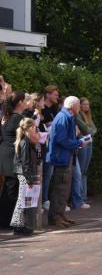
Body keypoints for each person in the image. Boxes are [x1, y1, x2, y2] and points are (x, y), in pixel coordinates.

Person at [46, 96, 90, 228]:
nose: (79, 108)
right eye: (78, 105)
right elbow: (62, 140)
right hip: (61, 158)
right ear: (73, 106)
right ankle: (55, 217)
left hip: (65, 157)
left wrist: (78, 141)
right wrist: (79, 142)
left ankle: (59, 215)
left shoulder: (66, 117)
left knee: (64, 188)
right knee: (60, 188)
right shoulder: (63, 118)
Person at [0, 92, 26, 227]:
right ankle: (6, 221)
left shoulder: (6, 117)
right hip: (12, 156)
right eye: (25, 100)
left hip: (4, 154)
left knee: (8, 189)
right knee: (12, 189)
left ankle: (5, 220)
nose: (27, 102)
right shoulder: (18, 119)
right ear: (20, 103)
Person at [10, 118, 39, 235]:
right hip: (23, 174)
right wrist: (29, 179)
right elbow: (25, 162)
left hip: (22, 173)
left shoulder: (25, 141)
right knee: (22, 199)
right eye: (34, 127)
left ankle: (19, 224)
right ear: (30, 128)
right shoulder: (25, 142)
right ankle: (17, 225)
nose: (36, 129)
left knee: (22, 199)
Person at [40, 85, 60, 211]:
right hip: (43, 144)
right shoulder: (42, 109)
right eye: (55, 94)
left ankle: (46, 199)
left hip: (52, 144)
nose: (57, 97)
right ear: (47, 94)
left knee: (49, 174)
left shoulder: (55, 108)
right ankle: (44, 200)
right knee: (44, 174)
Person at [76, 97, 97, 204]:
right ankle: (80, 196)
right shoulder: (78, 115)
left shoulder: (88, 116)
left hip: (89, 142)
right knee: (81, 170)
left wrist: (89, 132)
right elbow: (85, 129)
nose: (86, 106)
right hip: (83, 143)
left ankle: (83, 196)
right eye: (84, 104)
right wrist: (89, 132)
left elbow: (94, 129)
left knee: (85, 171)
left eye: (87, 104)